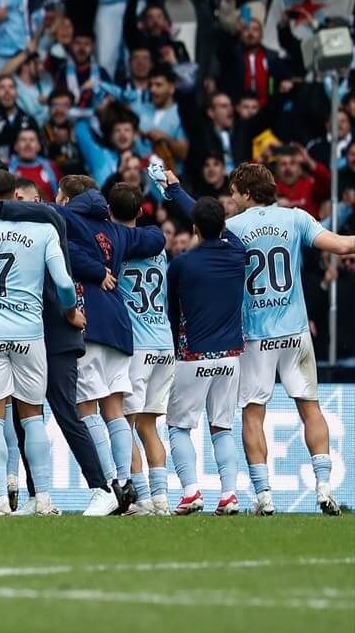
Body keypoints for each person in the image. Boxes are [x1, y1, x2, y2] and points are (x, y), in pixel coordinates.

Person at [210, 161, 353, 515]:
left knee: (253, 414)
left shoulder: (231, 228)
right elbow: (340, 246)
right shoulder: (296, 218)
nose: (232, 197)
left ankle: (264, 496)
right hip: (295, 332)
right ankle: (323, 487)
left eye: (234, 191)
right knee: (310, 408)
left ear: (245, 192)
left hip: (255, 336)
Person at [0, 168, 83, 516]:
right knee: (32, 417)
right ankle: (44, 499)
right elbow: (65, 284)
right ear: (16, 194)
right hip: (29, 333)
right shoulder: (43, 230)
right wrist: (70, 313)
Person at [51, 173, 166, 516]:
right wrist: (102, 266)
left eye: (58, 194)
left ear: (68, 199)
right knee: (115, 411)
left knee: (86, 408)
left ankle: (111, 487)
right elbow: (155, 238)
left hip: (90, 321)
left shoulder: (63, 219)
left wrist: (92, 268)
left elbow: (64, 251)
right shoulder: (114, 230)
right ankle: (131, 487)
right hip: (119, 324)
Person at [160, 188, 250, 516]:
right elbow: (217, 227)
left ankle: (190, 492)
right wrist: (178, 191)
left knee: (179, 426)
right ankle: (229, 495)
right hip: (230, 356)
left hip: (193, 355)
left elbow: (171, 313)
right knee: (222, 427)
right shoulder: (237, 252)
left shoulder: (181, 264)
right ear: (223, 225)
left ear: (194, 228)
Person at [112, 177, 176, 515]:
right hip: (164, 342)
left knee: (125, 422)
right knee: (150, 424)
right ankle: (162, 498)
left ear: (109, 211)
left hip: (136, 346)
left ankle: (141, 498)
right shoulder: (158, 247)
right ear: (141, 210)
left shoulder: (115, 248)